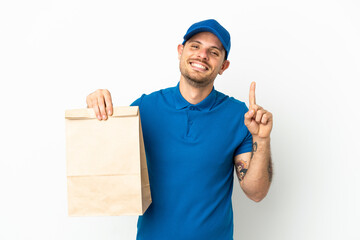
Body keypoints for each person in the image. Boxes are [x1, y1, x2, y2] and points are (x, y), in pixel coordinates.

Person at [86, 19, 273, 240]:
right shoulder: (144, 108)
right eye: (195, 46)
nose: (202, 55)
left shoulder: (238, 116)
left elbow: (256, 193)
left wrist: (262, 139)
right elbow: (106, 167)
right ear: (180, 51)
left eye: (213, 52)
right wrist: (96, 110)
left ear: (224, 66)